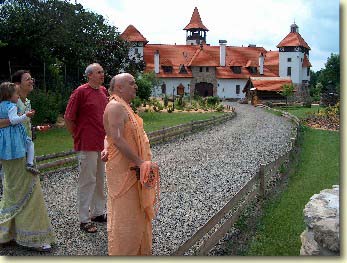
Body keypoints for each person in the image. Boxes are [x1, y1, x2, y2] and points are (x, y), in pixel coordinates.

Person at [103, 73, 160, 255]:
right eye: (132, 83)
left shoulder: (125, 107)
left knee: (137, 214)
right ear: (119, 87)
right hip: (124, 171)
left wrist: (105, 148)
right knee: (125, 216)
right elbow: (117, 139)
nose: (136, 86)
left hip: (134, 169)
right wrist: (140, 162)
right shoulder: (115, 106)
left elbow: (109, 136)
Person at [0, 82, 56, 252]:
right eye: (27, 79)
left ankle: (10, 232)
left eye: (32, 78)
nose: (32, 81)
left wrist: (36, 127)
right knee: (21, 190)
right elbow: (13, 121)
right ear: (17, 86)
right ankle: (32, 236)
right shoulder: (11, 105)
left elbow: (23, 127)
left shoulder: (25, 103)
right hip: (15, 152)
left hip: (22, 148)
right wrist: (22, 117)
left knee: (18, 191)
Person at [64, 63, 108, 234]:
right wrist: (76, 135)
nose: (102, 74)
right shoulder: (80, 92)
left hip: (101, 144)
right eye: (98, 72)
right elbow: (68, 118)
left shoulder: (104, 91)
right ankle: (84, 219)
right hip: (86, 144)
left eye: (103, 72)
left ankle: (98, 212)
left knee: (99, 180)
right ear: (89, 75)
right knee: (87, 181)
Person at [0, 82, 37, 174]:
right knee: (28, 143)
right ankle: (29, 163)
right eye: (16, 94)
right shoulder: (12, 106)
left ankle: (4, 171)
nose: (18, 96)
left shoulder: (1, 105)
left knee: (6, 148)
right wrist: (26, 115)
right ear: (9, 95)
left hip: (4, 133)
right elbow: (13, 120)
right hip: (14, 133)